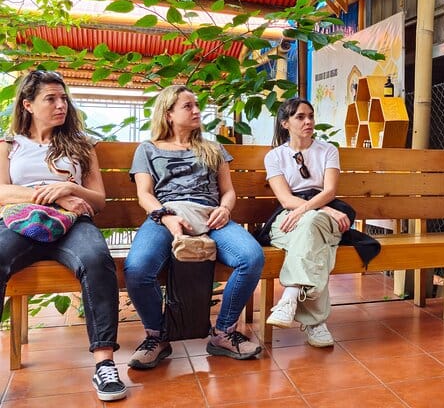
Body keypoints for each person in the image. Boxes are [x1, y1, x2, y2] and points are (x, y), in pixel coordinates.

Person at [0, 70, 127, 401]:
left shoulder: (82, 144)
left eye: (63, 98)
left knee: (97, 259)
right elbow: (1, 192)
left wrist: (70, 189)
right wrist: (50, 195)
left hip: (74, 223)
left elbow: (98, 200)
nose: (61, 105)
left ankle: (104, 363)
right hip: (21, 221)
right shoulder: (9, 145)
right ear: (27, 104)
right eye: (51, 99)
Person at [124, 85, 264, 369]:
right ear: (168, 114)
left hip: (211, 216)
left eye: (197, 105)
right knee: (137, 269)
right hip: (166, 215)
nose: (197, 110)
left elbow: (228, 191)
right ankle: (157, 337)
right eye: (188, 106)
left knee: (251, 257)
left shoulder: (212, 148)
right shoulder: (148, 149)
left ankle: (223, 333)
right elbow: (144, 194)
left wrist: (225, 209)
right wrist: (166, 216)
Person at [263, 98, 351, 347]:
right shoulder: (275, 156)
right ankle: (315, 323)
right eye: (300, 117)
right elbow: (285, 198)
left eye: (310, 116)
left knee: (312, 224)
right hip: (290, 215)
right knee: (316, 242)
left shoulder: (328, 150)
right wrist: (315, 210)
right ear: (285, 123)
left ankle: (289, 298)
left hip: (322, 215)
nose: (308, 121)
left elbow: (329, 191)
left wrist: (314, 209)